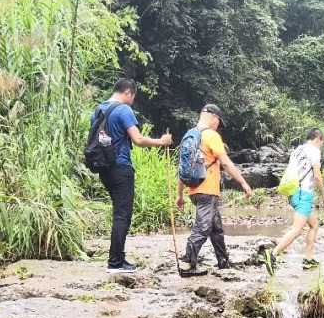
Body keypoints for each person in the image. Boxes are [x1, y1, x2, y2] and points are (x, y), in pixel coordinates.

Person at [92, 78, 172, 273]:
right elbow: (137, 139)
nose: (133, 101)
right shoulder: (123, 110)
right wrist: (162, 142)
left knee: (119, 212)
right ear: (127, 92)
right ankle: (115, 262)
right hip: (121, 167)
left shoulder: (98, 110)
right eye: (133, 96)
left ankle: (118, 259)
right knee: (122, 215)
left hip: (103, 167)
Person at [176, 104, 253, 276]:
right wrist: (244, 184)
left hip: (194, 191)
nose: (218, 126)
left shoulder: (189, 136)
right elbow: (225, 162)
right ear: (213, 117)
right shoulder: (211, 135)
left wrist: (179, 195)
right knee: (202, 228)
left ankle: (222, 260)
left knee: (216, 228)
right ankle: (187, 264)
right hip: (207, 191)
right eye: (219, 122)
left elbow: (182, 169)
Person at [263, 128, 324, 273]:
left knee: (314, 225)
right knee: (297, 230)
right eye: (321, 143)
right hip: (303, 194)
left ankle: (308, 259)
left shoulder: (298, 150)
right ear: (318, 139)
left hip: (294, 192)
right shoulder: (314, 151)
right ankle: (273, 254)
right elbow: (317, 176)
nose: (321, 146)